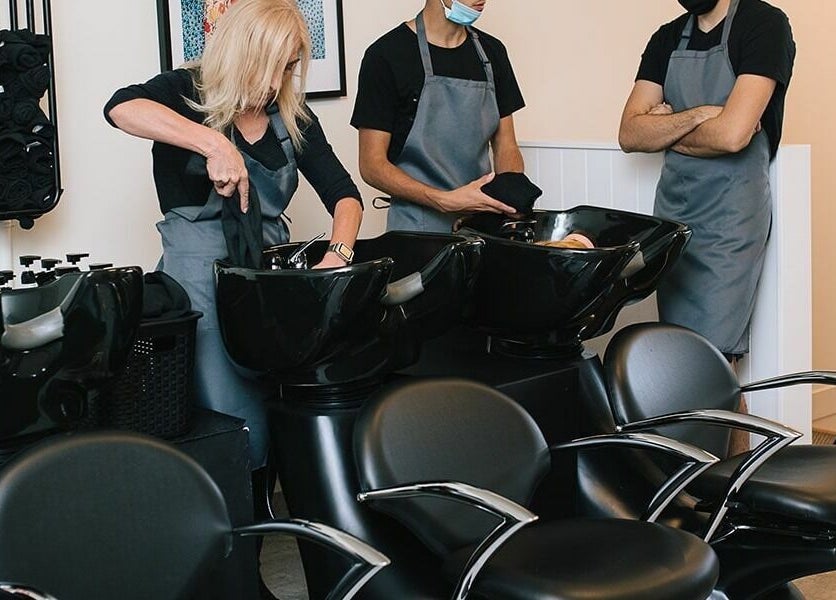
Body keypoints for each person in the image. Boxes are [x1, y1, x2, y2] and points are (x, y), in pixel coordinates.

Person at [104, 0, 362, 521]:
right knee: (227, 420)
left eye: (289, 67)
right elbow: (120, 108)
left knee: (278, 410)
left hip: (265, 290)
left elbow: (345, 196)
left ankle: (259, 531)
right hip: (199, 288)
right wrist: (212, 144)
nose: (277, 82)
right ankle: (224, 543)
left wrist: (337, 255)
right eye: (271, 65)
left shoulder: (292, 118)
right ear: (243, 49)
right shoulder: (184, 91)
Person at [618, 0, 795, 453]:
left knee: (714, 358)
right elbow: (630, 134)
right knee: (685, 358)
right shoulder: (666, 37)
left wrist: (668, 127)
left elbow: (733, 136)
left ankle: (727, 481)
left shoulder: (763, 24)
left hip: (730, 216)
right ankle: (714, 481)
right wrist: (701, 115)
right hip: (673, 217)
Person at [351, 0, 526, 233]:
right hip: (417, 231)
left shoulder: (493, 53)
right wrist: (443, 200)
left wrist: (511, 196)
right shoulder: (386, 55)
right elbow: (372, 165)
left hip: (481, 226)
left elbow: (506, 145)